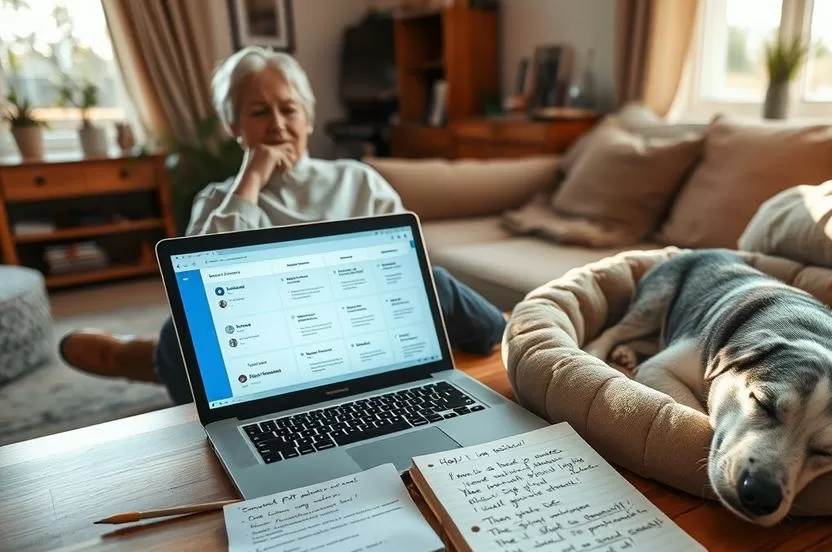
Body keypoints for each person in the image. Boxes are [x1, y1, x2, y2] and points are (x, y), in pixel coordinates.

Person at [59, 46, 506, 405]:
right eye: (258, 112)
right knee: (178, 335)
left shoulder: (356, 179)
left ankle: (146, 360)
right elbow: (203, 298)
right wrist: (251, 178)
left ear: (308, 118)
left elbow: (400, 270)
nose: (277, 124)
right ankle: (144, 360)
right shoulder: (218, 199)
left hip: (354, 322)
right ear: (234, 125)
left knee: (449, 292)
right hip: (265, 337)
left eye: (288, 110)